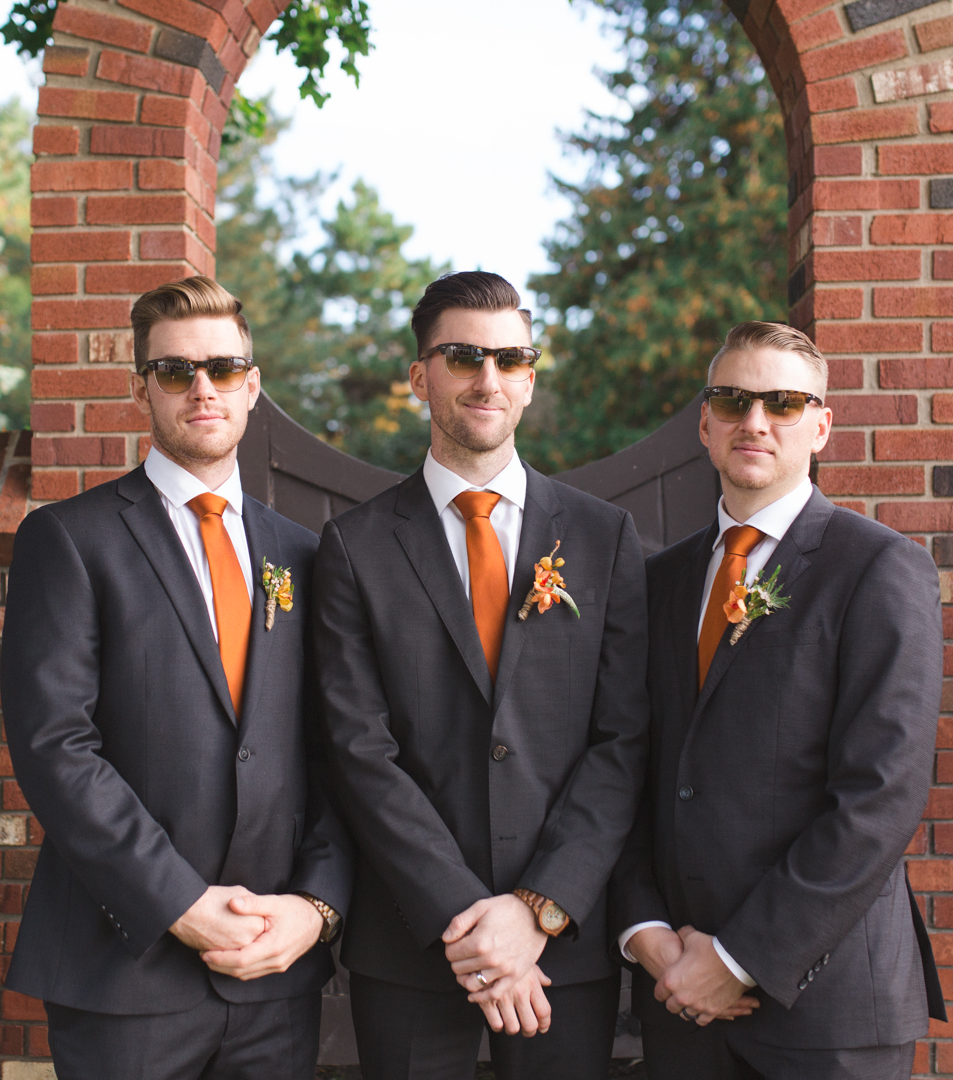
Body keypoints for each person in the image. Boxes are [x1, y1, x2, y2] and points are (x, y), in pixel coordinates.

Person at [0, 276, 352, 1080]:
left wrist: (318, 907)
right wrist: (181, 907)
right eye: (174, 372)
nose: (203, 388)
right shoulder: (68, 541)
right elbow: (55, 744)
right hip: (125, 968)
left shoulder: (301, 554)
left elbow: (339, 744)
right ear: (142, 390)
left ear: (252, 386)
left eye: (224, 369)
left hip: (273, 969)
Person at [313, 271, 650, 1080]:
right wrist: (468, 922)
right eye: (463, 356)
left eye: (510, 358)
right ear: (419, 376)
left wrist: (537, 911)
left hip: (561, 949)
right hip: (413, 939)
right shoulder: (354, 547)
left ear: (530, 377)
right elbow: (359, 749)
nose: (487, 378)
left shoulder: (604, 538)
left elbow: (625, 738)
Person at [611, 321, 946, 1079]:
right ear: (705, 423)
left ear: (820, 425)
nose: (754, 421)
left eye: (783, 402)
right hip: (679, 999)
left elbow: (883, 794)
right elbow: (629, 767)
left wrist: (737, 958)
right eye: (732, 400)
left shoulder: (880, 569)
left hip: (825, 1008)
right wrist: (648, 933)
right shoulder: (659, 583)